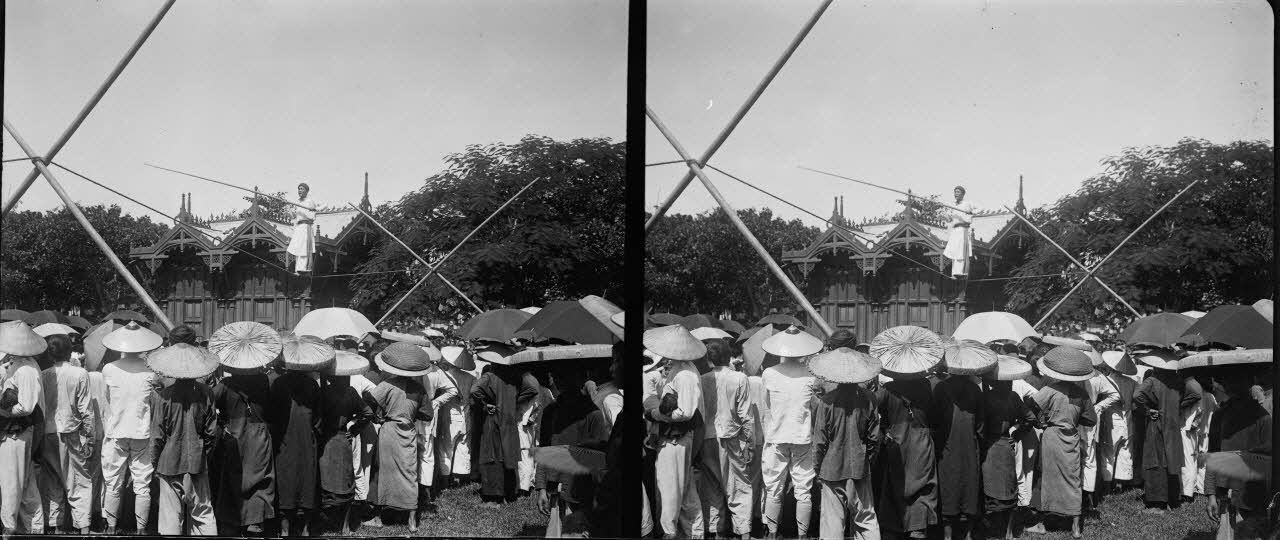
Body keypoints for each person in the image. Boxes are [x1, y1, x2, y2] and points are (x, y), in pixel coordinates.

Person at [1025, 346, 1098, 538]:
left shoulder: (1050, 389)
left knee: (1045, 477)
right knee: (1073, 479)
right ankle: (1075, 526)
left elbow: (1031, 404)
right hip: (1071, 437)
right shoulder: (1081, 394)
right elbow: (1091, 419)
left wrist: (1041, 419)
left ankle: (1042, 522)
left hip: (1052, 436)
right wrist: (1073, 418)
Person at [809, 348, 881, 540]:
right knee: (866, 518)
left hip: (831, 467)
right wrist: (868, 461)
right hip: (860, 465)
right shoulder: (869, 399)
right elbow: (874, 438)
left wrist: (817, 469)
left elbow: (819, 442)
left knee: (833, 522)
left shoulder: (827, 402)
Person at [148, 343, 219, 535]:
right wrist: (204, 454)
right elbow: (211, 432)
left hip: (169, 462)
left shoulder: (163, 396)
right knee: (203, 513)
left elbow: (156, 436)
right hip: (197, 461)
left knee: (170, 518)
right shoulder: (206, 393)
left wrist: (154, 463)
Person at [98, 321, 162, 534]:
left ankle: (111, 527)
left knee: (113, 481)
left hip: (116, 430)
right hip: (141, 431)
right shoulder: (151, 370)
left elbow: (107, 401)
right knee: (142, 483)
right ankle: (141, 529)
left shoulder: (109, 368)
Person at [759, 326, 823, 539]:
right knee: (803, 489)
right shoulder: (811, 376)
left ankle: (771, 533)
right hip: (802, 436)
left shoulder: (769, 373)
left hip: (776, 436)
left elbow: (766, 408)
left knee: (773, 488)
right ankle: (803, 535)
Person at [534, 361, 610, 536]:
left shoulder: (593, 415)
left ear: (581, 378)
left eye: (566, 374)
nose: (559, 379)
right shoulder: (550, 412)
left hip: (580, 491)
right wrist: (541, 488)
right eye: (556, 375)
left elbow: (600, 460)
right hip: (555, 486)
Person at [645, 325, 708, 538]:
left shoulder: (685, 375)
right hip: (674, 437)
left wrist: (655, 414)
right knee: (684, 490)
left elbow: (686, 412)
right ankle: (693, 533)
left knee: (669, 490)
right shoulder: (680, 370)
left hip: (676, 438)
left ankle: (669, 532)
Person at [367, 342, 435, 531]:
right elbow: (428, 414)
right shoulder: (419, 389)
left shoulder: (387, 384)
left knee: (382, 472)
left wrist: (379, 415)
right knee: (409, 473)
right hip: (408, 433)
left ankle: (378, 517)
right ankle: (412, 519)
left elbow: (370, 402)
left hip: (389, 431)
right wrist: (411, 412)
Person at [268, 335, 327, 536]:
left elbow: (273, 414)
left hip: (284, 439)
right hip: (307, 439)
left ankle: (284, 528)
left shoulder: (278, 383)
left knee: (285, 480)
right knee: (308, 480)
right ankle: (306, 528)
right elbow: (319, 419)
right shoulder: (313, 385)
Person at [1205, 365, 1272, 538]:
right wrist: (1211, 494)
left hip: (1252, 495)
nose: (1231, 386)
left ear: (1249, 383)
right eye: (1227, 381)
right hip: (1226, 493)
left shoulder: (1263, 418)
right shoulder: (1219, 416)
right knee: (1227, 531)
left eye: (1237, 381)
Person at [37, 334, 95, 534]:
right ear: (69, 351)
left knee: (52, 479)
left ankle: (56, 526)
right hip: (71, 432)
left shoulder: (43, 374)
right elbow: (86, 409)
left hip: (48, 432)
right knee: (78, 480)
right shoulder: (80, 373)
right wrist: (89, 437)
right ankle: (84, 527)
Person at [697, 339, 755, 540]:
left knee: (712, 487)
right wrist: (749, 442)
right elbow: (746, 415)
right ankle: (744, 533)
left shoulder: (702, 379)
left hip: (707, 438)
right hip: (730, 438)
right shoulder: (739, 378)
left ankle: (715, 532)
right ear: (728, 356)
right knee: (738, 487)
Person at [211, 362, 277, 535]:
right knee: (259, 479)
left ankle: (233, 520)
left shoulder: (226, 385)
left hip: (235, 434)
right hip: (260, 434)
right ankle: (255, 521)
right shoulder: (264, 380)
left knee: (233, 478)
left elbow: (209, 399)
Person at [1133, 349, 1202, 513]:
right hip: (1173, 424)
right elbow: (1196, 393)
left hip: (1157, 425)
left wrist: (1149, 410)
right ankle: (1173, 498)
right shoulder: (1177, 381)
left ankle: (1158, 504)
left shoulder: (1152, 380)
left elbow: (1137, 395)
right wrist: (1178, 406)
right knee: (1172, 460)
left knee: (1155, 460)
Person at [317, 350, 374, 534]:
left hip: (325, 441)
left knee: (324, 482)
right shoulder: (350, 393)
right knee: (346, 482)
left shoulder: (322, 392)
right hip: (343, 440)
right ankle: (346, 525)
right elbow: (368, 413)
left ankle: (325, 520)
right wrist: (354, 429)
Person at [470, 355, 539, 507]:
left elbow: (474, 390)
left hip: (493, 420)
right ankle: (510, 494)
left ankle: (493, 499)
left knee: (492, 456)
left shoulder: (490, 376)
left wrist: (485, 403)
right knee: (508, 455)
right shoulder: (515, 377)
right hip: (509, 419)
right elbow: (533, 389)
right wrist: (515, 401)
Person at [980, 356, 1037, 540]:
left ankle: (992, 529)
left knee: (989, 490)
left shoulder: (985, 397)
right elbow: (1031, 419)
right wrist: (1016, 434)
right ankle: (1009, 532)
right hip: (1006, 446)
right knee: (1009, 490)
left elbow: (980, 425)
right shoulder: (1013, 397)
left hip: (989, 447)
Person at [0, 321, 48, 533]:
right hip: (17, 432)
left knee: (11, 483)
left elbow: (26, 406)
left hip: (17, 433)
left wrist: (4, 411)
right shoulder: (17, 365)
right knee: (25, 483)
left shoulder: (26, 369)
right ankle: (33, 528)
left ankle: (8, 528)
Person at [930, 365, 984, 540]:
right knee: (970, 485)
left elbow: (935, 418)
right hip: (969, 444)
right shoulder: (975, 389)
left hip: (947, 444)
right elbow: (981, 425)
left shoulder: (941, 387)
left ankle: (947, 535)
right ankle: (967, 534)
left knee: (948, 486)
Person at [419, 348, 458, 501]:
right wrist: (436, 402)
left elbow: (453, 390)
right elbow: (453, 390)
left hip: (417, 411)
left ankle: (421, 490)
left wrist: (435, 402)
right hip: (428, 411)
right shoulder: (436, 370)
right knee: (427, 453)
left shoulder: (411, 368)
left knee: (419, 452)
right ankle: (426, 491)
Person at [1097, 351, 1138, 494]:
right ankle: (1120, 485)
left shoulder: (1106, 380)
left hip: (1112, 422)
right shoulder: (1132, 383)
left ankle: (1107, 487)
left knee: (1108, 453)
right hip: (1128, 420)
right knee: (1125, 452)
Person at [436, 346, 477, 488]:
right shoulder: (471, 378)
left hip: (450, 416)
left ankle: (445, 480)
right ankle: (459, 479)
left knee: (446, 448)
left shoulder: (444, 375)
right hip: (466, 415)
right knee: (463, 447)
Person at [942, 185, 975, 279]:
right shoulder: (952, 205)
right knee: (954, 251)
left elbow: (969, 219)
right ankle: (954, 273)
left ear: (963, 194)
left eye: (958, 192)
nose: (955, 194)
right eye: (955, 192)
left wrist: (966, 213)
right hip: (955, 230)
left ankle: (960, 272)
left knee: (961, 251)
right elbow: (949, 219)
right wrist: (944, 217)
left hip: (962, 229)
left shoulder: (966, 204)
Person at [285, 182, 318, 274]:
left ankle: (303, 268)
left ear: (306, 191)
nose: (299, 190)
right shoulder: (298, 202)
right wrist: (288, 209)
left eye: (302, 189)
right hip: (299, 227)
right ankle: (297, 269)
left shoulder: (309, 201)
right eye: (299, 189)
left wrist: (304, 211)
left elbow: (313, 216)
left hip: (306, 226)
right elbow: (294, 217)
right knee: (298, 247)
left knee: (304, 248)